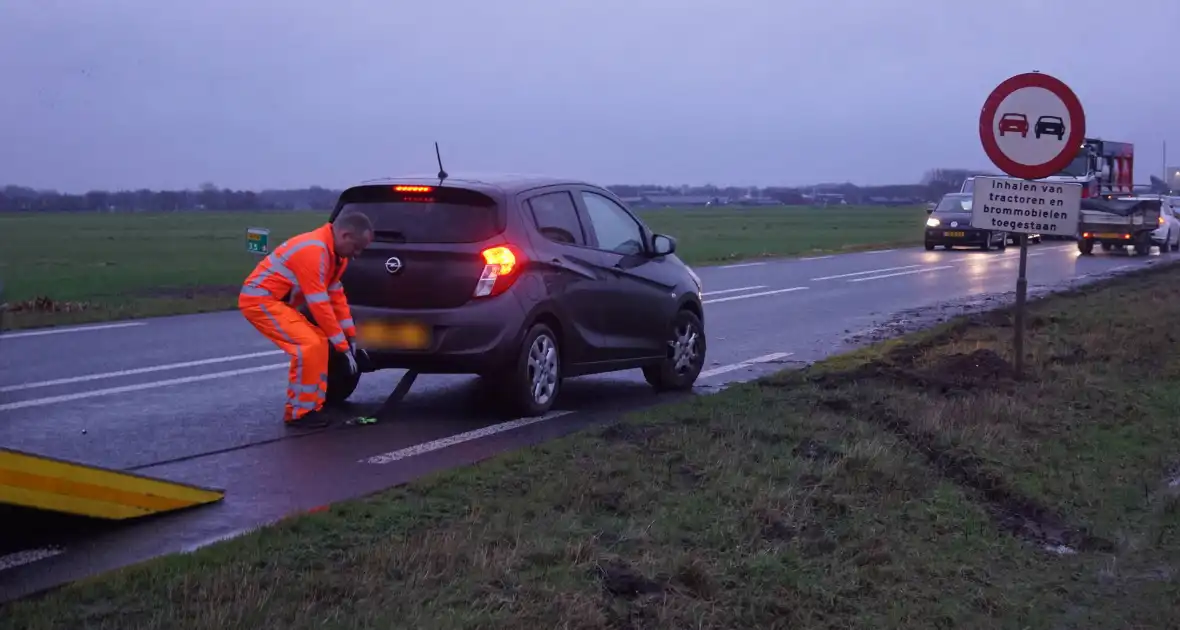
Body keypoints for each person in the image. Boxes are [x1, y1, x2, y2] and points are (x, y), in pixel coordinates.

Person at [238, 212, 374, 428]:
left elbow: (336, 298)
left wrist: (352, 339)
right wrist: (342, 347)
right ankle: (300, 413)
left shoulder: (336, 256)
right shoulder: (314, 251)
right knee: (309, 345)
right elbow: (320, 305)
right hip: (259, 301)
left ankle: (311, 407)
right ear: (345, 235)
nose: (357, 254)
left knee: (318, 342)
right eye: (356, 247)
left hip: (276, 302)